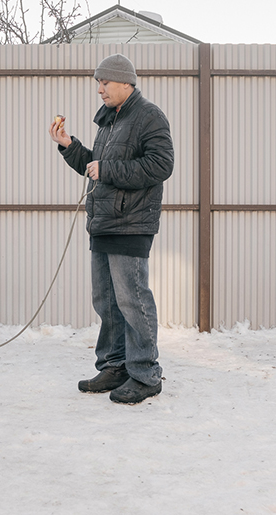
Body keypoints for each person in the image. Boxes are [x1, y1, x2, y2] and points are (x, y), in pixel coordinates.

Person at [48, 53, 174, 404]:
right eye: (97, 83)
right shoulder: (109, 121)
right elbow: (96, 167)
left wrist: (109, 170)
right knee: (106, 301)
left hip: (131, 225)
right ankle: (115, 366)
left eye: (105, 82)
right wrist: (69, 146)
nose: (99, 89)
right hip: (102, 223)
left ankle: (146, 373)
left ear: (125, 83)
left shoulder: (148, 116)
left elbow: (161, 165)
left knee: (132, 300)